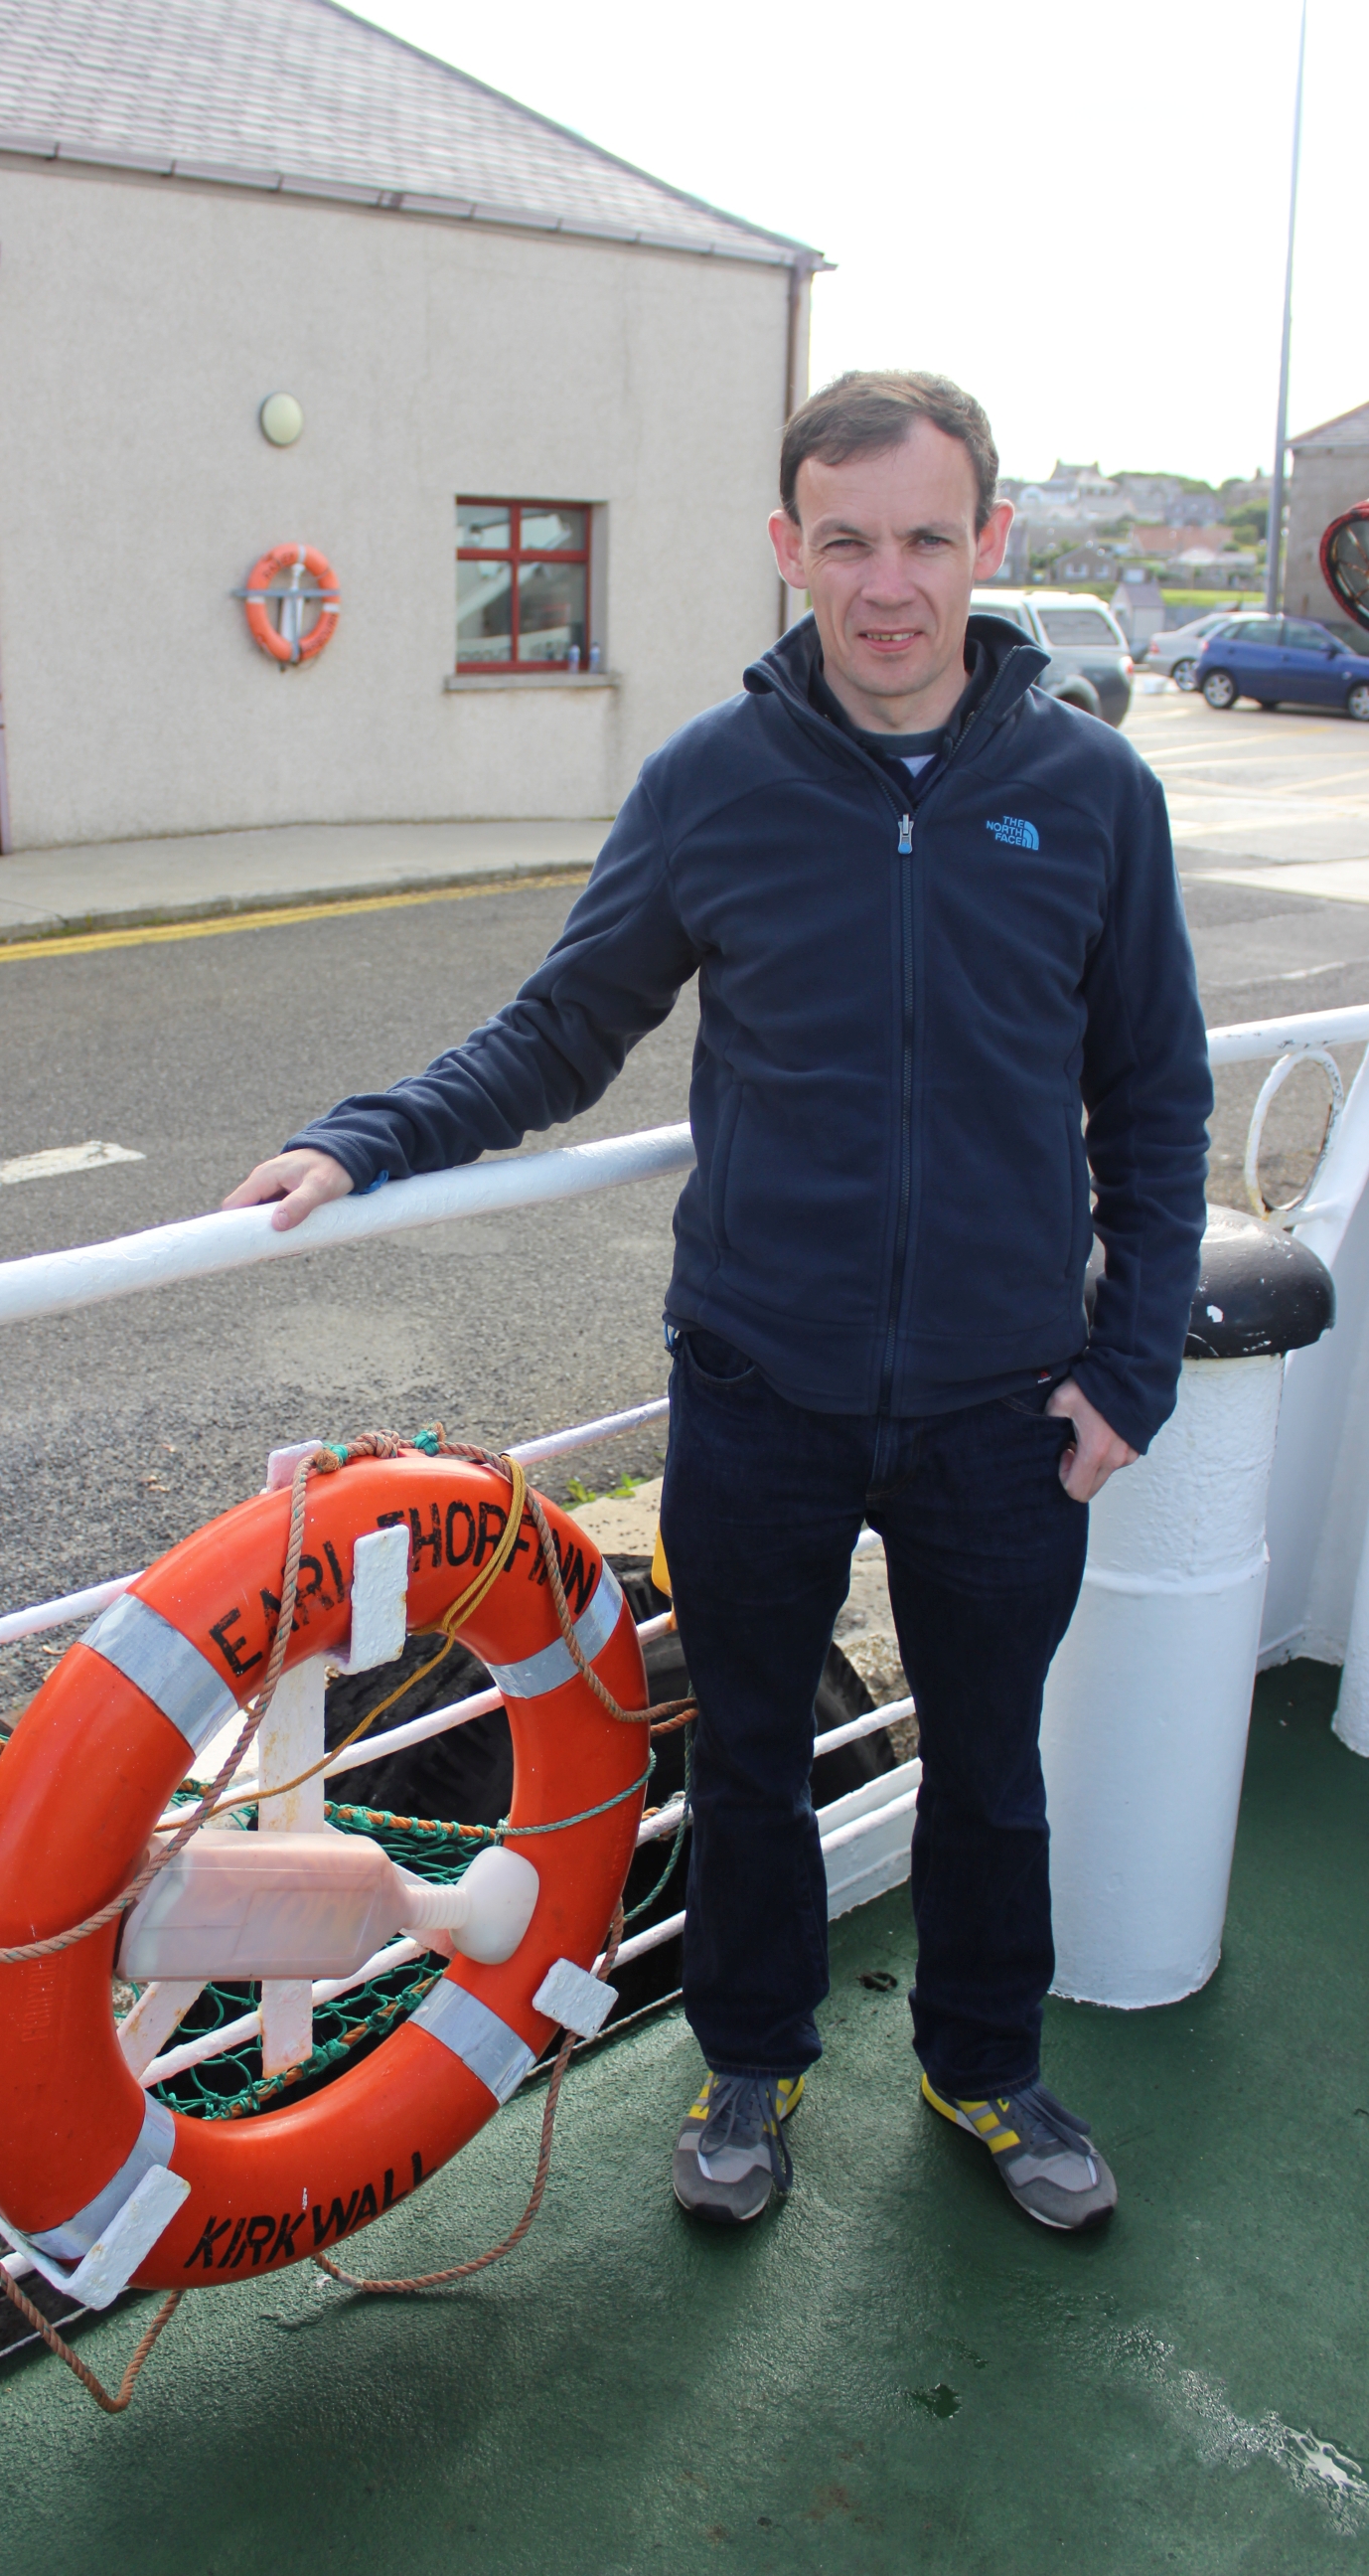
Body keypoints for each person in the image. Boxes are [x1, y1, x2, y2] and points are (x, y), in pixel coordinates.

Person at [225, 372, 1210, 2236]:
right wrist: (366, 1138)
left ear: (989, 543)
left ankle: (983, 2065)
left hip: (1009, 1407)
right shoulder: (715, 782)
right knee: (747, 1757)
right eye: (847, 542)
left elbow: (1156, 1101)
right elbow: (562, 1028)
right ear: (787, 549)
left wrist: (1130, 1368)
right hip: (761, 1388)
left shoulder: (1092, 793)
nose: (888, 583)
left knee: (992, 1768)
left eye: (927, 539)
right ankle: (748, 2061)